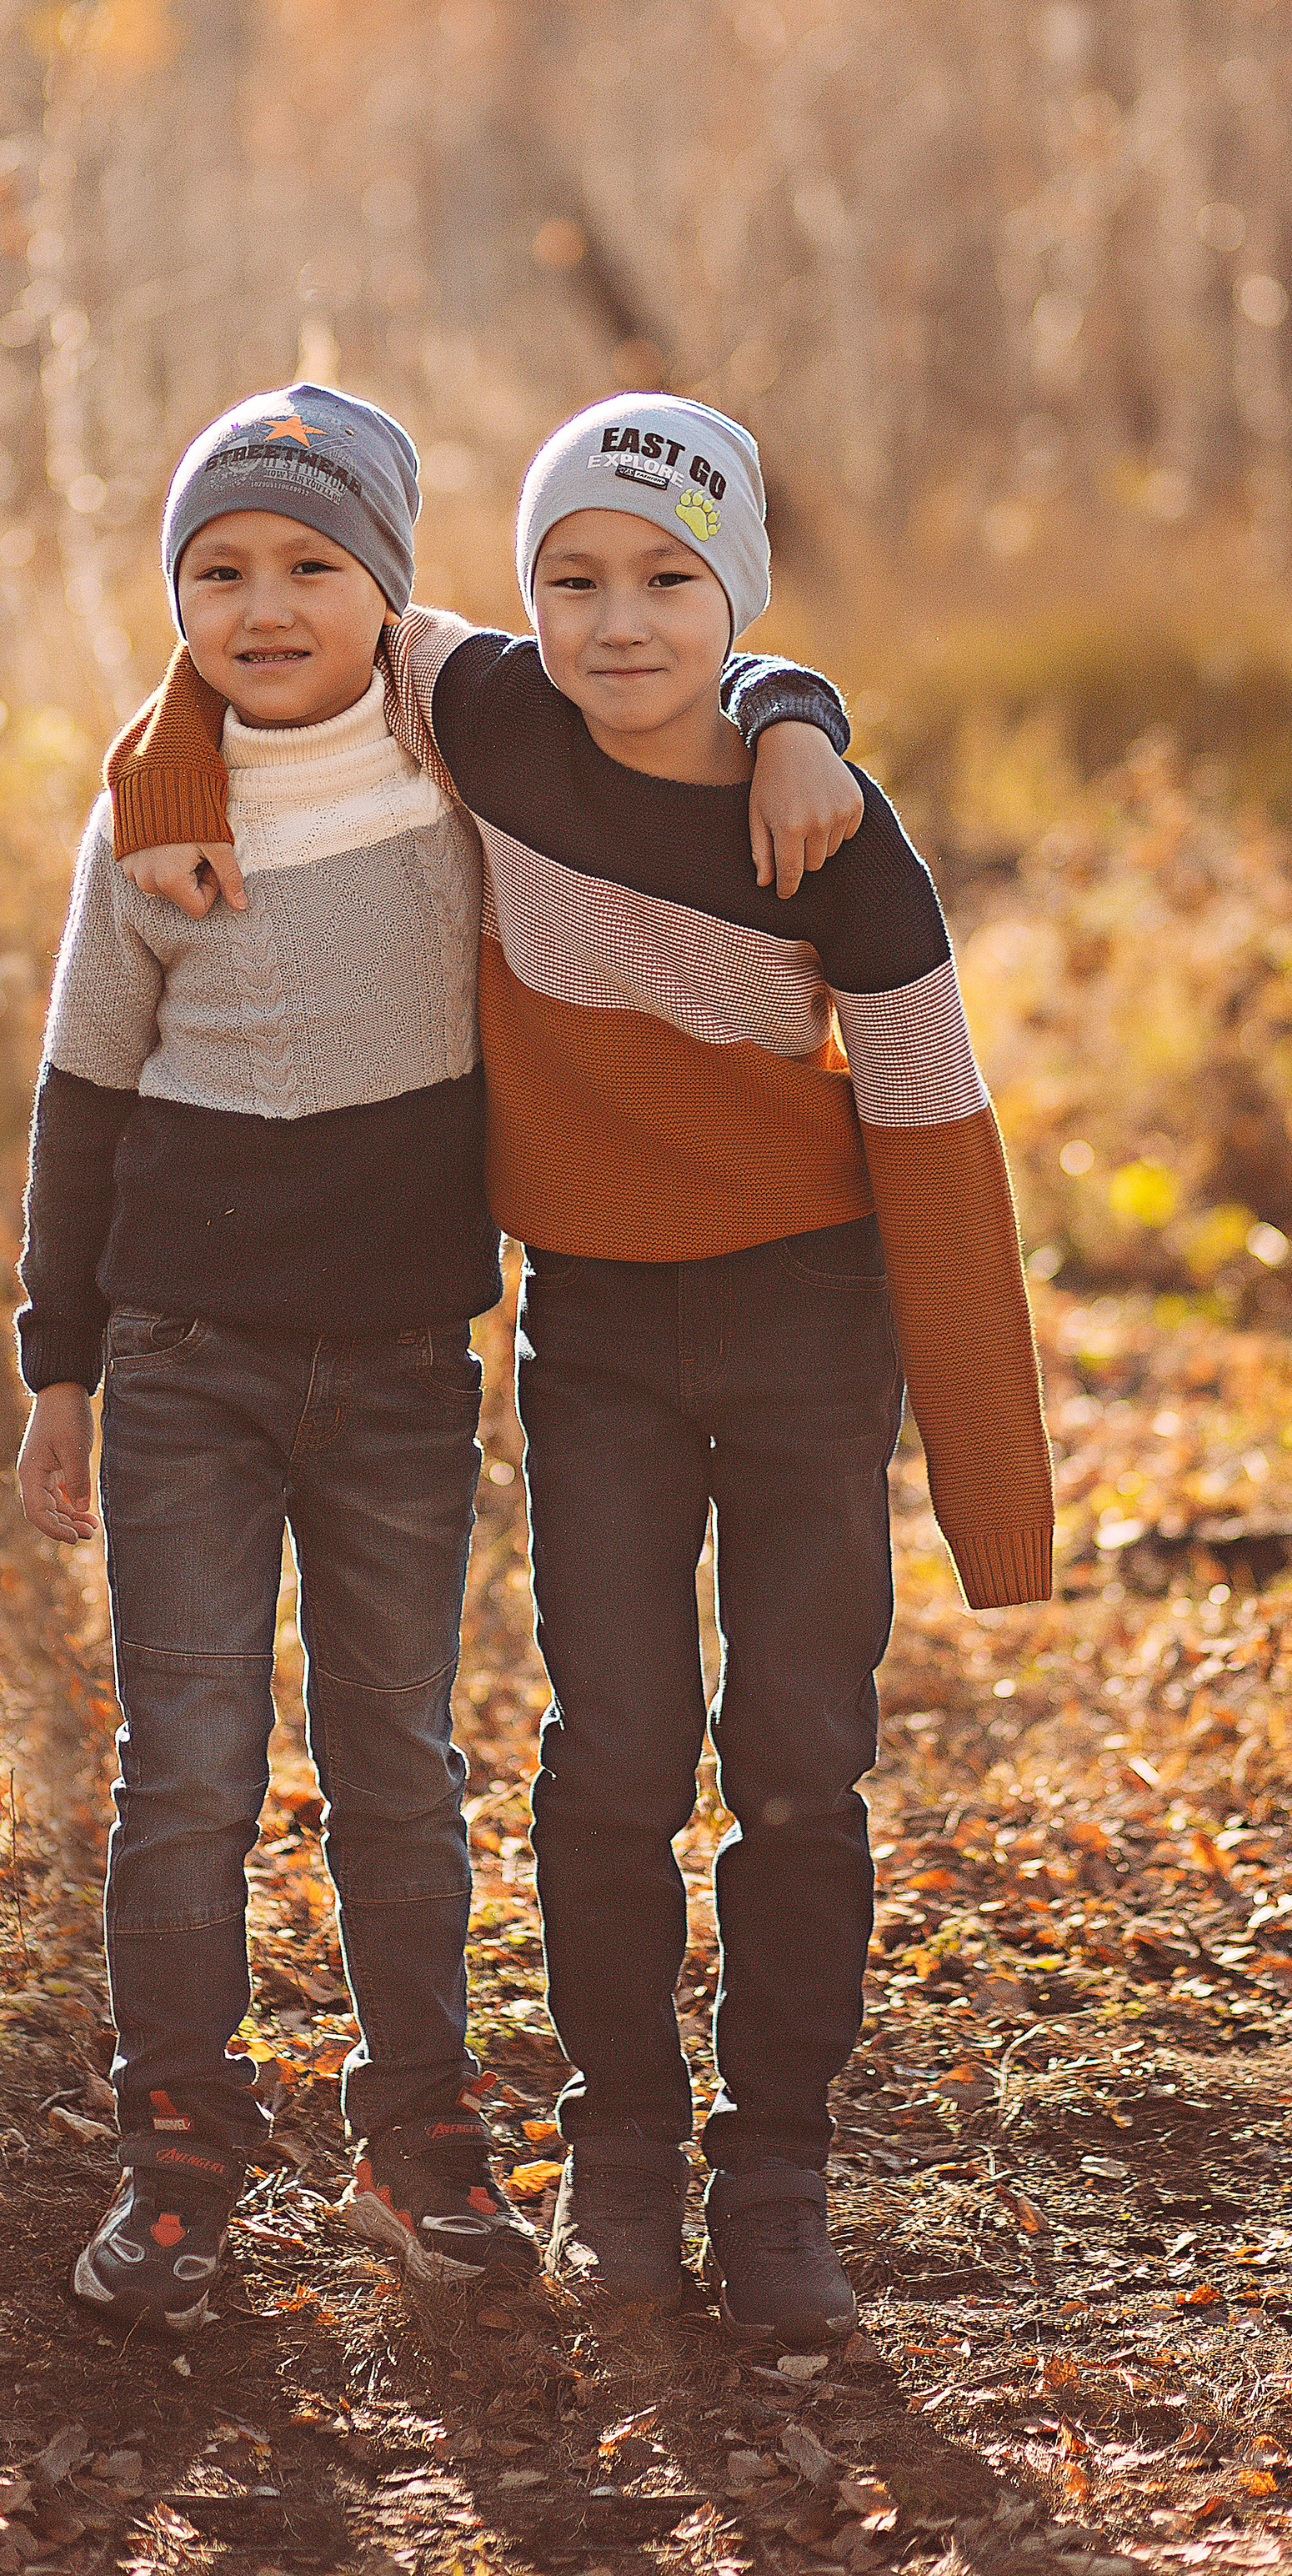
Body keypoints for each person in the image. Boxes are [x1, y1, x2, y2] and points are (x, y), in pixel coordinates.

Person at [108, 393, 1054, 2348]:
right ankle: (621, 2150)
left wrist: (796, 716)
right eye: (571, 582)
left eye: (668, 585)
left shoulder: (834, 847)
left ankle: (771, 2164)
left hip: (808, 1330)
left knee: (797, 1755)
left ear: (734, 597)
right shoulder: (492, 714)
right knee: (613, 1755)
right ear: (523, 599)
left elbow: (943, 1157)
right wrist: (166, 774)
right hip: (595, 1334)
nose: (617, 624)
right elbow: (272, 635)